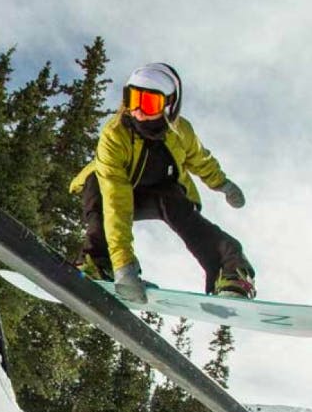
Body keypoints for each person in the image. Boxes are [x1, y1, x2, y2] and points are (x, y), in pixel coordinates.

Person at [69, 62, 256, 304]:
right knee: (97, 190)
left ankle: (231, 270)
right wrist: (123, 265)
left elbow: (200, 159)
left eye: (148, 103)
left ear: (170, 105)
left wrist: (223, 185)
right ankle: (98, 261)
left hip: (161, 192)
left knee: (179, 208)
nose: (137, 110)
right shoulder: (114, 135)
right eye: (132, 98)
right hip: (114, 189)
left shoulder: (181, 131)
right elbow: (116, 200)